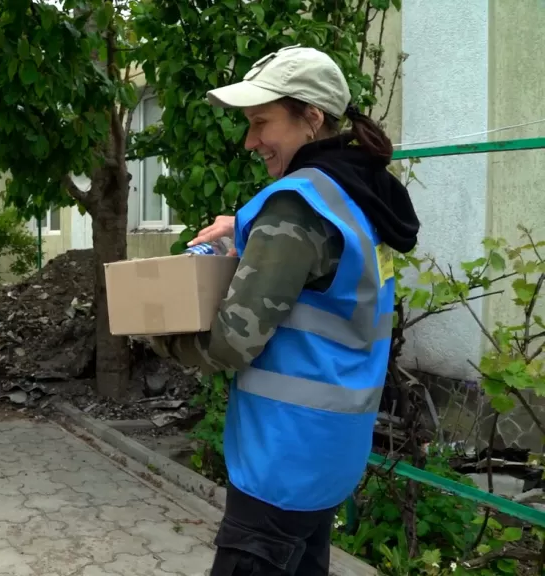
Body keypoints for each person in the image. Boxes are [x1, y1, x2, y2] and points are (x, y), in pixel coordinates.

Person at [150, 45, 420, 575]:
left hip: (281, 458)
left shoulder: (296, 206)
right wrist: (249, 228)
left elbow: (232, 342)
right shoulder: (358, 191)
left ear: (311, 117)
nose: (251, 141)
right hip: (331, 452)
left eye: (261, 123)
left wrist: (155, 331)